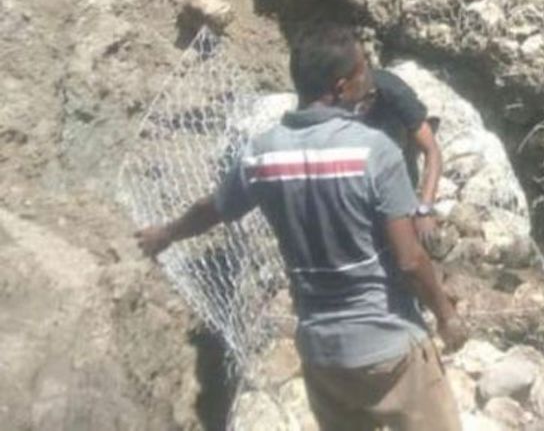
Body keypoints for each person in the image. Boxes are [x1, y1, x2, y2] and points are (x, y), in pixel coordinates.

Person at [135, 24, 465, 431]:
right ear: (342, 87)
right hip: (389, 347)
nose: (371, 79)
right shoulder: (375, 152)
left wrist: (166, 234)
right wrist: (446, 316)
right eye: (364, 70)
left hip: (321, 355)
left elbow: (213, 208)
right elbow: (411, 261)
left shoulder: (262, 154)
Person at [362, 68, 446, 256]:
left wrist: (424, 209)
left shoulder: (394, 92)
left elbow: (432, 150)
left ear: (372, 94)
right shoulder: (337, 97)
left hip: (397, 151)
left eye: (365, 102)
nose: (360, 107)